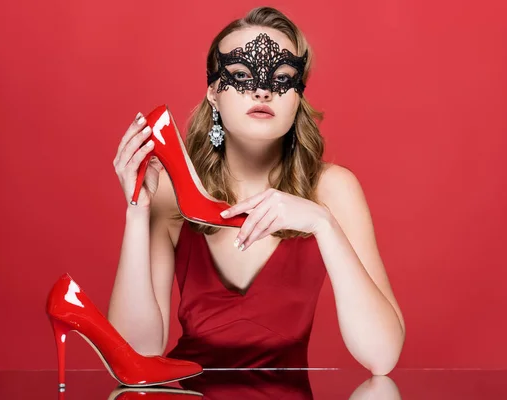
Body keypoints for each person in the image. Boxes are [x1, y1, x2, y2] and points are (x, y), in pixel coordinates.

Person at [108, 6, 405, 375]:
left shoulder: (332, 190)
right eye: (242, 75)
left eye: (282, 77)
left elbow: (382, 356)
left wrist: (323, 224)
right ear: (214, 93)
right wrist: (137, 211)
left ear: (298, 97)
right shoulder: (172, 194)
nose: (263, 90)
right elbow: (137, 355)